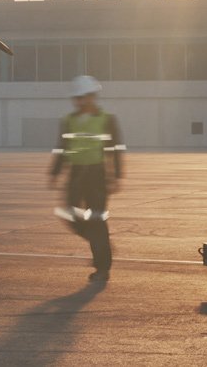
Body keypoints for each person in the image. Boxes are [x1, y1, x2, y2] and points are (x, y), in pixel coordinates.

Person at [48, 74, 125, 280]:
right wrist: (54, 172)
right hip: (76, 175)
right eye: (77, 98)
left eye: (83, 97)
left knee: (96, 220)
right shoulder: (68, 121)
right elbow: (62, 147)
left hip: (97, 174)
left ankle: (102, 267)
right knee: (70, 215)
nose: (80, 101)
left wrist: (117, 175)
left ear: (92, 96)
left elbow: (116, 149)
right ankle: (101, 243)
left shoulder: (107, 119)